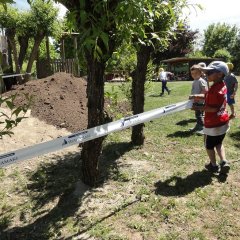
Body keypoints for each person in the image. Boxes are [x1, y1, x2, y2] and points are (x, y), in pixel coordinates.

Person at [191, 61, 230, 174]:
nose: (206, 74)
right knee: (218, 143)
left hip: (212, 124)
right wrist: (196, 96)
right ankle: (224, 161)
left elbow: (212, 108)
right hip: (223, 122)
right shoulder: (222, 86)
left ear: (219, 74)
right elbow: (209, 96)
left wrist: (198, 108)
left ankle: (213, 165)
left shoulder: (214, 91)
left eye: (209, 72)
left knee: (208, 146)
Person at [189, 64, 208, 134]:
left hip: (200, 101)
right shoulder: (195, 80)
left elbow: (205, 90)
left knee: (200, 114)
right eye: (192, 73)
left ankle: (202, 128)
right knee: (197, 114)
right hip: (196, 100)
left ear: (200, 73)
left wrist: (197, 96)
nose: (194, 75)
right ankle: (198, 125)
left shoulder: (201, 81)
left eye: (196, 73)